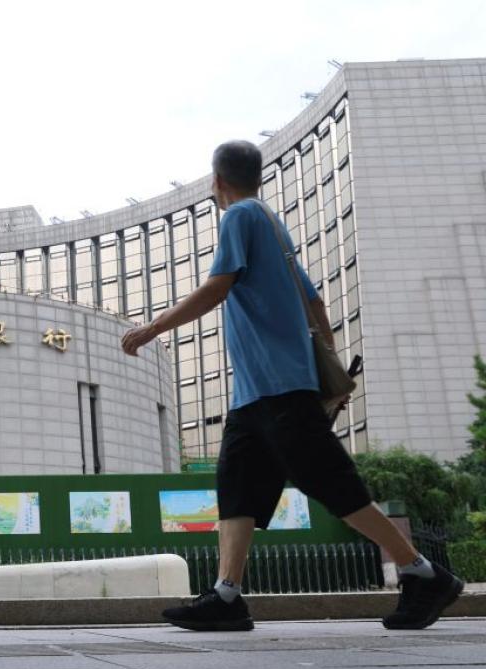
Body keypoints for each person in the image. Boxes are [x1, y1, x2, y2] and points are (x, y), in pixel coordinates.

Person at [120, 140, 464, 632]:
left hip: (280, 389)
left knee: (331, 483)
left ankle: (422, 571)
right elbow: (315, 302)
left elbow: (218, 287)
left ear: (216, 181)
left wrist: (153, 328)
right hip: (255, 396)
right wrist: (327, 369)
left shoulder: (239, 216)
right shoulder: (275, 229)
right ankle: (227, 595)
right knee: (237, 491)